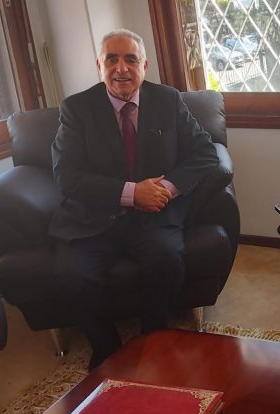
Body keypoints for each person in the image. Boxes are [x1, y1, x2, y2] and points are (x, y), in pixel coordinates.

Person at [50, 29, 219, 370]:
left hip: (154, 216)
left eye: (130, 59)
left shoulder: (168, 100)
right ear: (99, 65)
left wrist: (165, 189)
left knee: (165, 259)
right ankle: (107, 351)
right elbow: (66, 176)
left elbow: (204, 152)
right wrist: (131, 193)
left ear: (145, 65)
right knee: (73, 273)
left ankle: (153, 340)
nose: (121, 68)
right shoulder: (76, 108)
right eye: (111, 59)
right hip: (93, 217)